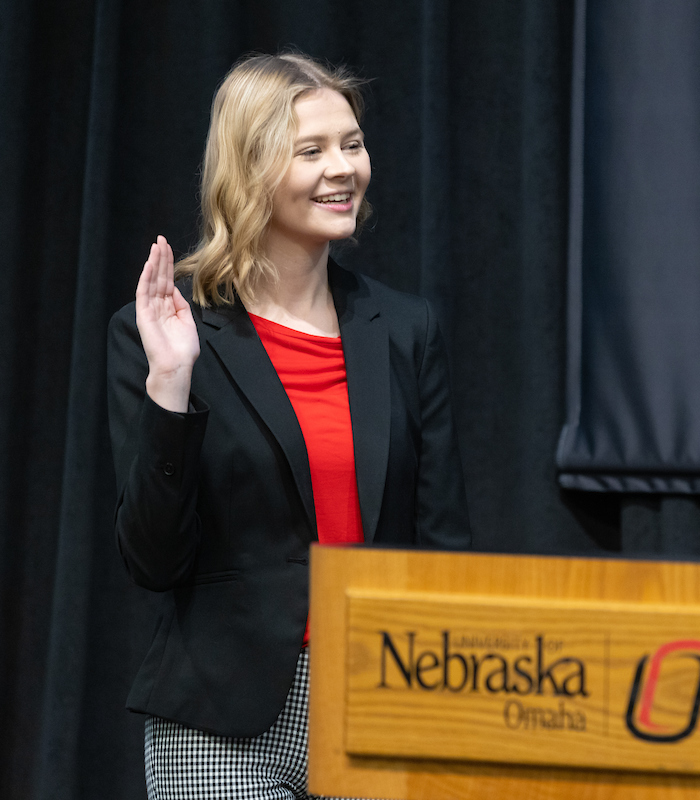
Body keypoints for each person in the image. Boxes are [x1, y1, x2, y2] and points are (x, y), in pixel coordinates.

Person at [106, 52, 471, 799]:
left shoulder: (406, 328)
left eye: (352, 144)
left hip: (378, 706)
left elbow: (441, 547)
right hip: (222, 721)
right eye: (311, 151)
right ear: (248, 170)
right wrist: (171, 385)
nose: (343, 168)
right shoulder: (166, 331)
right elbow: (153, 560)